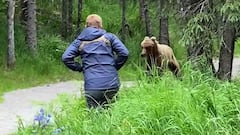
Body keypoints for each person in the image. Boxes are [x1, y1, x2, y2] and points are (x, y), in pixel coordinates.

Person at [62, 14, 129, 108]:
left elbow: (66, 57)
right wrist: (113, 67)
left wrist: (80, 68)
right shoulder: (110, 37)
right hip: (112, 84)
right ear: (101, 25)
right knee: (112, 113)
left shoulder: (79, 41)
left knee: (94, 116)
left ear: (86, 26)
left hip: (92, 87)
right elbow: (124, 53)